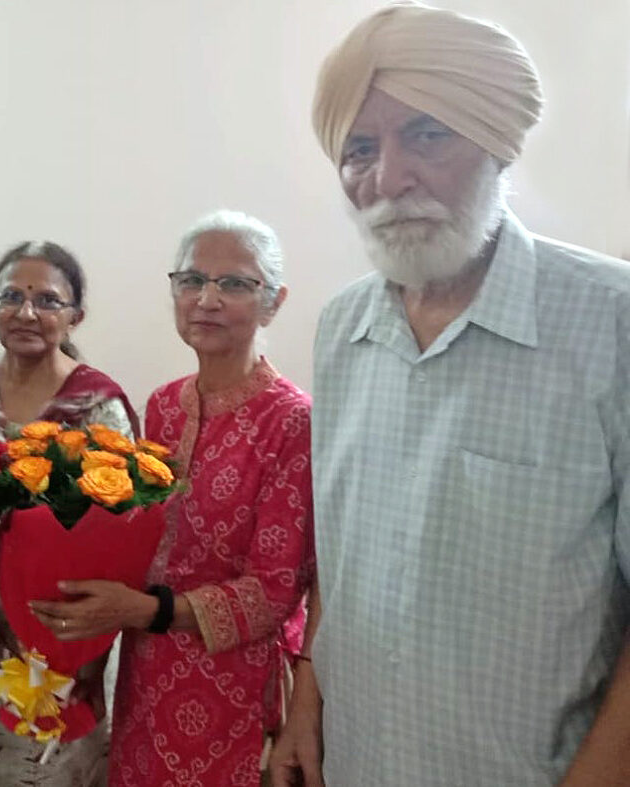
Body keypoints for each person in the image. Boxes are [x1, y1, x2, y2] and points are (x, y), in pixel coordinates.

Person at [270, 4, 630, 786]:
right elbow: (344, 549)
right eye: (358, 148)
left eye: (427, 135)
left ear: (497, 144)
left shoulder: (612, 321)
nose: (387, 178)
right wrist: (307, 700)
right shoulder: (340, 329)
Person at [30, 211, 315, 786]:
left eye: (234, 283)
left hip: (235, 688)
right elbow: (134, 543)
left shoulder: (293, 421)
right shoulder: (162, 406)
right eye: (191, 280)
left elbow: (274, 593)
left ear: (274, 301)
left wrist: (145, 611)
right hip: (147, 674)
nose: (207, 298)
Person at [0, 240, 139, 787]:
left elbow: (117, 541)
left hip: (61, 633)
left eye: (47, 300)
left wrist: (86, 654)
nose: (27, 313)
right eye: (11, 296)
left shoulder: (98, 407)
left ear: (75, 316)